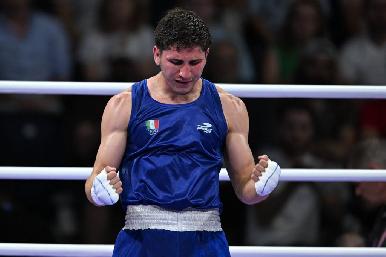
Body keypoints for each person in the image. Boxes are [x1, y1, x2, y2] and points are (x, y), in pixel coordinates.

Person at [84, 8, 281, 257]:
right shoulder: (125, 105)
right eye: (176, 62)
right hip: (142, 238)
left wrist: (262, 188)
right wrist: (99, 192)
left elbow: (245, 190)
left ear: (207, 56)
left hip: (205, 239)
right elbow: (96, 178)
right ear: (157, 54)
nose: (185, 73)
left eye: (194, 63)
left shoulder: (229, 107)